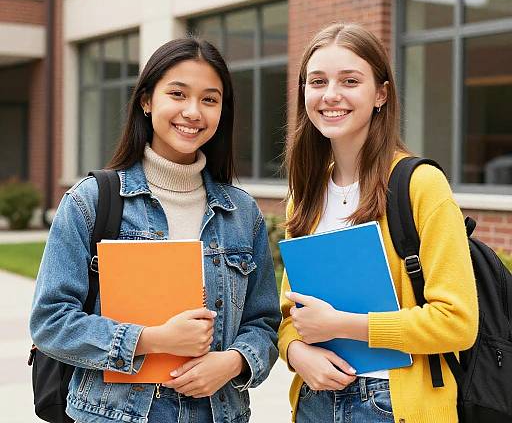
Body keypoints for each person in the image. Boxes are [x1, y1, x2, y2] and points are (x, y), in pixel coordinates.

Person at [30, 37, 280, 423]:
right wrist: (152, 340)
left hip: (218, 413)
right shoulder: (91, 200)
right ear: (146, 101)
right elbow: (50, 320)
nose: (192, 112)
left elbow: (263, 322)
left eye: (210, 99)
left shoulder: (242, 212)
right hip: (114, 414)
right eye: (177, 94)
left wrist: (232, 362)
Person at [278, 23, 478, 423]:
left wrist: (342, 325)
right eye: (317, 81)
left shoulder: (419, 183)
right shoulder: (306, 194)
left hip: (393, 402)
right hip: (316, 401)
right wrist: (297, 353)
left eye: (349, 80)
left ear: (381, 94)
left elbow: (457, 323)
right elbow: (290, 317)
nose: (330, 94)